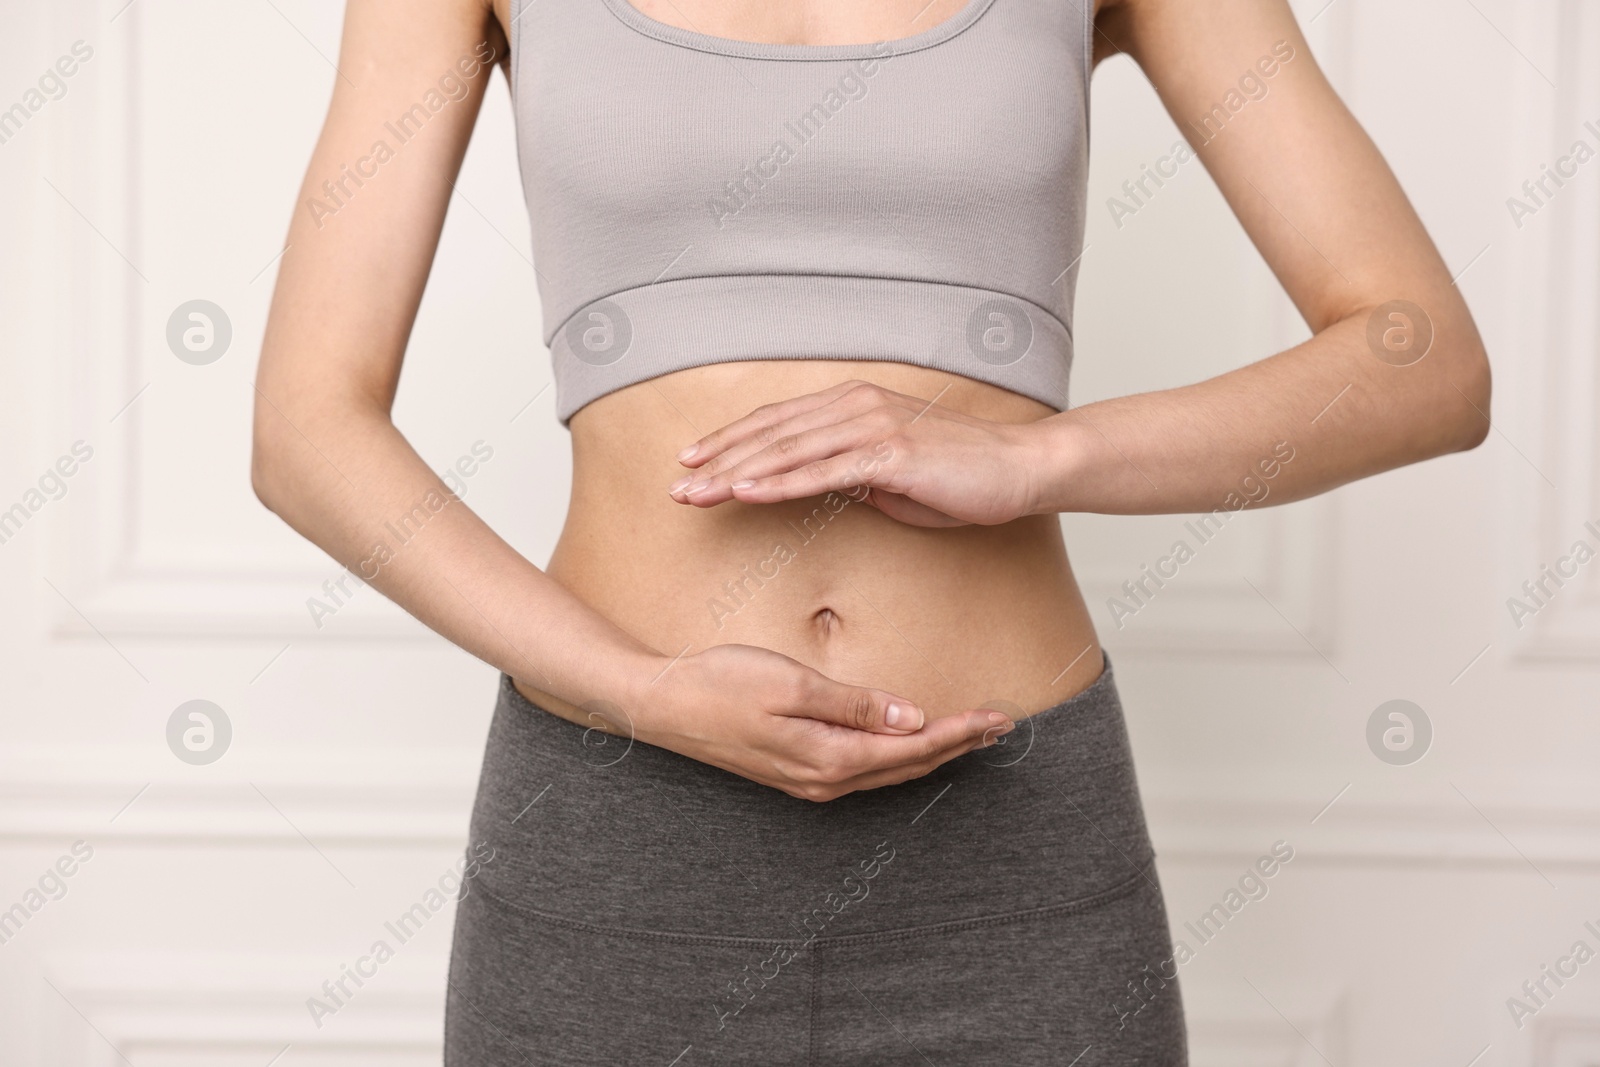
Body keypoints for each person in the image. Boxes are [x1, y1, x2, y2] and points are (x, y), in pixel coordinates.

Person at [251, 0, 1490, 1061]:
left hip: (1010, 847)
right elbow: (307, 432)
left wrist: (1032, 455)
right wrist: (637, 688)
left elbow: (1421, 357)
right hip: (617, 829)